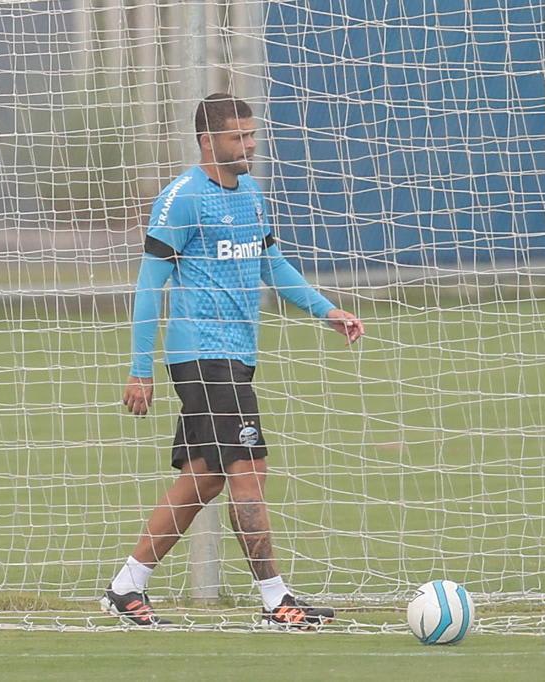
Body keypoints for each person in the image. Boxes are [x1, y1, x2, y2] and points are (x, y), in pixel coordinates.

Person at [100, 93, 364, 629]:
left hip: (237, 357)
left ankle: (127, 586)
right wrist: (139, 368)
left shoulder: (252, 195)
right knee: (250, 469)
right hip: (201, 355)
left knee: (205, 478)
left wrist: (326, 310)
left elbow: (273, 262)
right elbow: (150, 288)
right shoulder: (182, 200)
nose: (249, 145)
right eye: (238, 136)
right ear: (208, 140)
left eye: (251, 135)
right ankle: (275, 600)